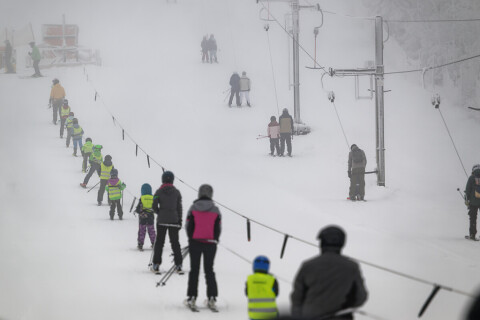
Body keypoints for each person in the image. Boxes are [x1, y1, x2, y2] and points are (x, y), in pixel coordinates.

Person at [291, 226, 368, 320]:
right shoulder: (351, 267)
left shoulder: (308, 265)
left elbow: (297, 298)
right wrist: (345, 305)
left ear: (322, 243)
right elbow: (360, 297)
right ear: (342, 243)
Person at [185, 184, 221, 310]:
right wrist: (215, 239)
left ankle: (192, 297)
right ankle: (212, 297)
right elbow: (218, 228)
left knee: (194, 270)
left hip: (195, 242)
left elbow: (188, 225)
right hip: (210, 243)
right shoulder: (215, 210)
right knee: (209, 270)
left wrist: (190, 238)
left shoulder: (193, 208)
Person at [151, 171, 183, 274]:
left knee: (159, 243)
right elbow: (179, 208)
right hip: (174, 220)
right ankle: (178, 265)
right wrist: (179, 220)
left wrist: (159, 212)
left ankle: (156, 264)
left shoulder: (158, 192)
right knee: (175, 243)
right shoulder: (177, 192)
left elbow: (154, 205)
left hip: (162, 221)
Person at [245, 255, 279, 320]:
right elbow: (276, 294)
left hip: (254, 315)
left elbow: (247, 293)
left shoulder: (249, 280)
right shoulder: (272, 280)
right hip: (271, 315)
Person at [135, 183, 156, 250]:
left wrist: (139, 211)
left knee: (142, 231)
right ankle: (154, 243)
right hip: (150, 218)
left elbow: (138, 209)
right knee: (151, 231)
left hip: (142, 218)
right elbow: (155, 208)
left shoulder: (142, 198)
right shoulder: (153, 198)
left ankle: (140, 244)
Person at [464, 164, 480, 240]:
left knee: (473, 218)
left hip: (473, 203)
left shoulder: (471, 178)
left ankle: (472, 235)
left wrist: (467, 200)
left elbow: (467, 190)